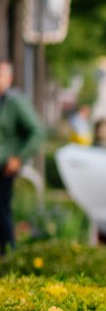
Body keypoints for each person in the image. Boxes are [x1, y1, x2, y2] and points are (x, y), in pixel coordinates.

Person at [0, 60, 46, 254]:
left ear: (9, 79)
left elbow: (37, 132)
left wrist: (18, 157)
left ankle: (8, 257)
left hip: (3, 167)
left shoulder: (15, 102)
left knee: (1, 213)